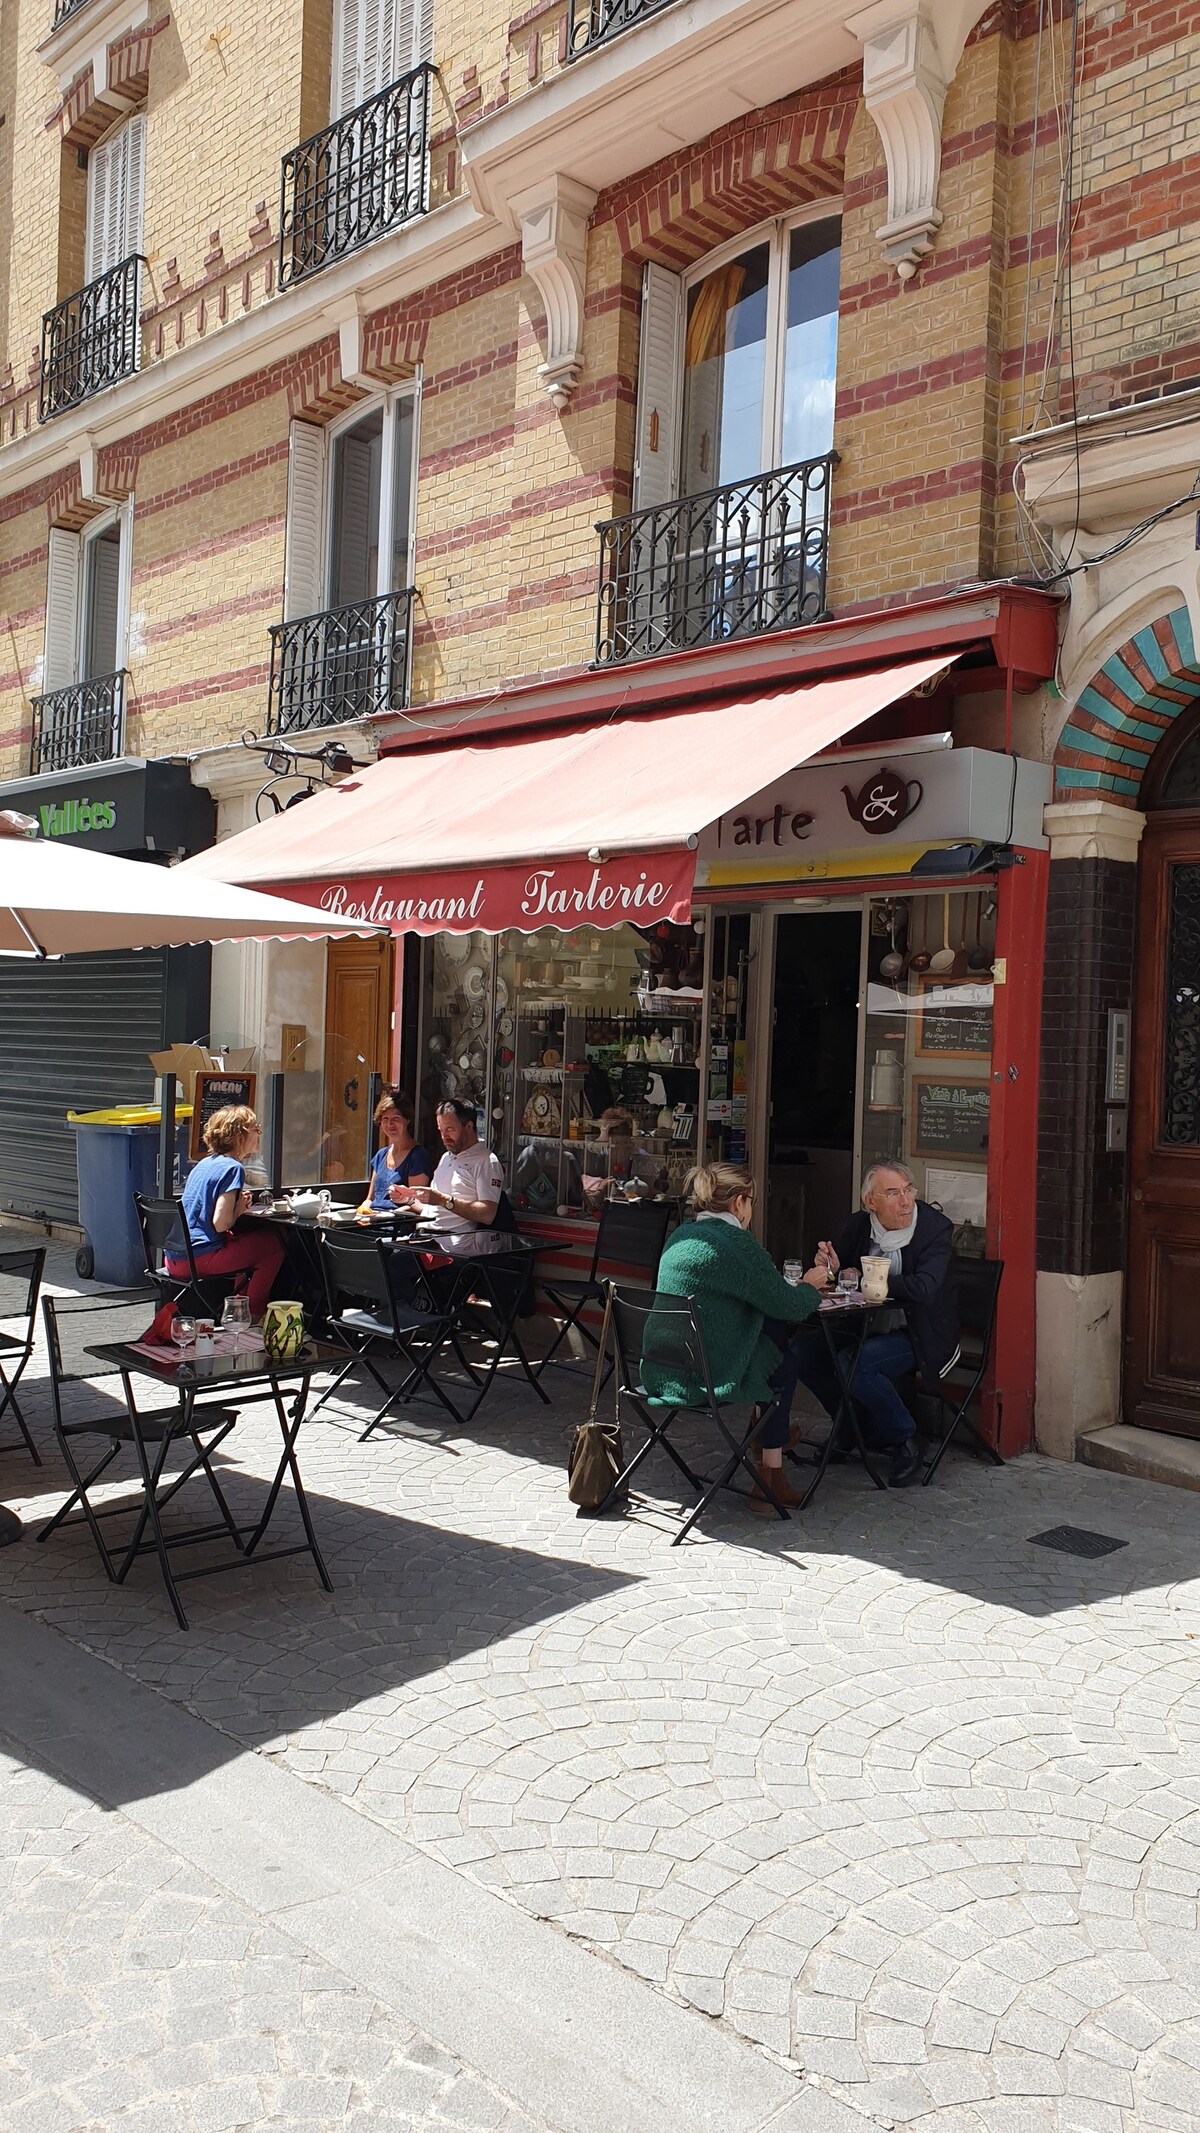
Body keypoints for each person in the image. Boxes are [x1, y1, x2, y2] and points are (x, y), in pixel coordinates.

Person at [643, 1162, 827, 1512]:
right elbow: (788, 1304)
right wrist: (811, 1285)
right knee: (782, 1364)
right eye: (753, 1201)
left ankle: (765, 1435)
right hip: (705, 1374)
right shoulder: (737, 1245)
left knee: (771, 1338)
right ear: (740, 1202)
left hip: (661, 1367)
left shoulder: (682, 1235)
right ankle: (770, 1474)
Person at [795, 1160, 960, 1488]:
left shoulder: (933, 1228)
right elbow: (839, 1276)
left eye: (908, 1190)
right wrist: (834, 1268)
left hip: (920, 1331)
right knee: (803, 1353)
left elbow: (925, 1287)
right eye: (893, 1193)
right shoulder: (858, 1226)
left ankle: (907, 1439)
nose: (905, 1201)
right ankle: (850, 1425)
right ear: (871, 1202)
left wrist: (873, 1279)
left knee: (854, 1362)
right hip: (864, 1325)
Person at [167, 1104, 285, 1319]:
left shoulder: (202, 1164)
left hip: (175, 1258)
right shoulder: (232, 1168)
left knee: (247, 1244)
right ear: (239, 1134)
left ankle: (237, 1312)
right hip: (199, 1259)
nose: (259, 1132)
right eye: (254, 1128)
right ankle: (256, 1316)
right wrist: (238, 1210)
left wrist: (237, 1209)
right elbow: (220, 1223)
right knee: (273, 1245)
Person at [395, 1100, 505, 1230]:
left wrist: (443, 1200)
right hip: (424, 1236)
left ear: (469, 1126)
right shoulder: (446, 1157)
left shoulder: (486, 1161)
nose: (444, 1136)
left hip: (455, 1244)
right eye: (441, 1130)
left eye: (450, 1129)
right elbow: (435, 1209)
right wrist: (408, 1199)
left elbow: (487, 1214)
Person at [357, 1088, 432, 1216]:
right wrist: (360, 1212)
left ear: (407, 1120)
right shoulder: (381, 1155)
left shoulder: (417, 1156)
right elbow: (370, 1199)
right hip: (372, 1222)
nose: (390, 1124)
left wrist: (387, 1216)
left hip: (398, 1224)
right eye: (385, 1119)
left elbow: (417, 1205)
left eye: (396, 1118)